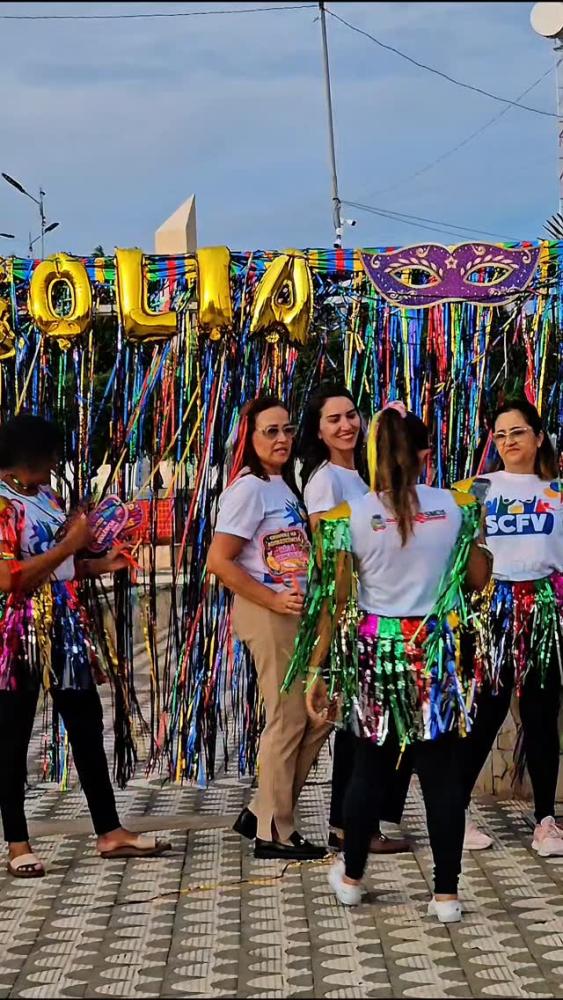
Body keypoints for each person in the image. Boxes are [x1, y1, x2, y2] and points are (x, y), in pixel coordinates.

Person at [285, 402, 491, 922]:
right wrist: (473, 539)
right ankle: (446, 895)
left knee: (369, 770)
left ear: (374, 456)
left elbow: (334, 601)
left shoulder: (348, 518)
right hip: (434, 652)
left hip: (377, 652)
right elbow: (477, 579)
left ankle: (352, 878)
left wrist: (316, 670)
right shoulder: (457, 506)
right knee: (441, 776)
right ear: (425, 455)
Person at [0, 414, 170, 878]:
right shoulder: (3, 504)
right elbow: (9, 579)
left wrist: (101, 563)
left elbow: (61, 567)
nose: (57, 463)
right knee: (12, 733)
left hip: (64, 626)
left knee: (86, 722)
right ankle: (18, 843)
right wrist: (69, 545)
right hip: (16, 633)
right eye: (52, 455)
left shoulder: (47, 497)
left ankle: (109, 830)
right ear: (29, 456)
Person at [207, 395, 330, 861]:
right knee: (288, 718)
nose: (282, 439)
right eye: (270, 431)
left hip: (296, 612)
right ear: (250, 437)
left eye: (287, 430)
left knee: (319, 713)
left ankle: (262, 811)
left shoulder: (284, 484)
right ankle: (275, 831)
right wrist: (273, 599)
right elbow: (220, 561)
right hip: (268, 612)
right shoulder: (248, 489)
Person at [299, 384, 411, 855]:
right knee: (355, 725)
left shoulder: (363, 474)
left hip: (376, 608)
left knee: (376, 721)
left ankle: (361, 821)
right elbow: (330, 553)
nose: (346, 426)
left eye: (351, 416)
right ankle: (346, 825)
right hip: (350, 614)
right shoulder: (325, 481)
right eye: (334, 419)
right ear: (319, 431)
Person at [458, 397, 563, 857]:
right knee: (487, 711)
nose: (508, 441)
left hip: (543, 610)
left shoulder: (557, 490)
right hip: (493, 611)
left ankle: (546, 822)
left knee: (541, 714)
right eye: (500, 435)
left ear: (538, 436)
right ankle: (455, 812)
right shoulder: (477, 489)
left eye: (517, 432)